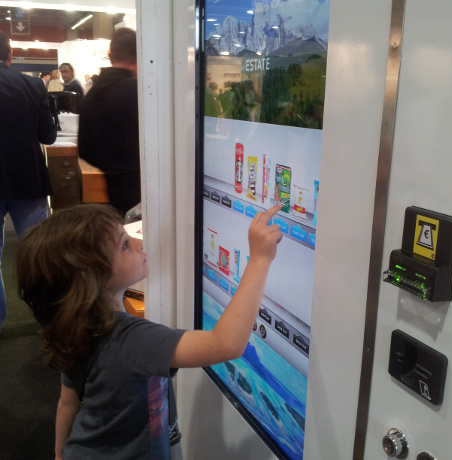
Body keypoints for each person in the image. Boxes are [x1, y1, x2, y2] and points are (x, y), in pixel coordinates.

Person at [16, 203, 283, 459]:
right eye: (124, 245)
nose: (139, 244)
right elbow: (226, 344)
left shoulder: (73, 325)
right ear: (94, 278)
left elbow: (67, 403)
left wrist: (60, 454)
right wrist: (259, 259)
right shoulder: (132, 340)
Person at [0, 30, 57, 331]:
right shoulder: (33, 85)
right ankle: (51, 320)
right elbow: (47, 136)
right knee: (41, 256)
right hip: (28, 180)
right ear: (10, 57)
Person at [78, 28, 141, 216]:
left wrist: (113, 168)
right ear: (139, 56)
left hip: (114, 189)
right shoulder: (137, 91)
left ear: (111, 55)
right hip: (144, 190)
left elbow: (85, 149)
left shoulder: (92, 94)